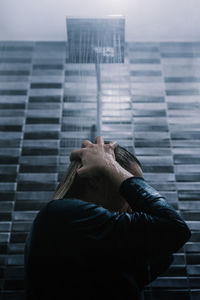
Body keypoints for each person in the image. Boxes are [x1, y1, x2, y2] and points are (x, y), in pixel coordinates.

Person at [24, 136, 191, 300]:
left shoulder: (95, 240)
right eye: (126, 182)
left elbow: (163, 250)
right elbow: (174, 229)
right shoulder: (60, 215)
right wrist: (109, 165)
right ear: (96, 179)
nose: (132, 203)